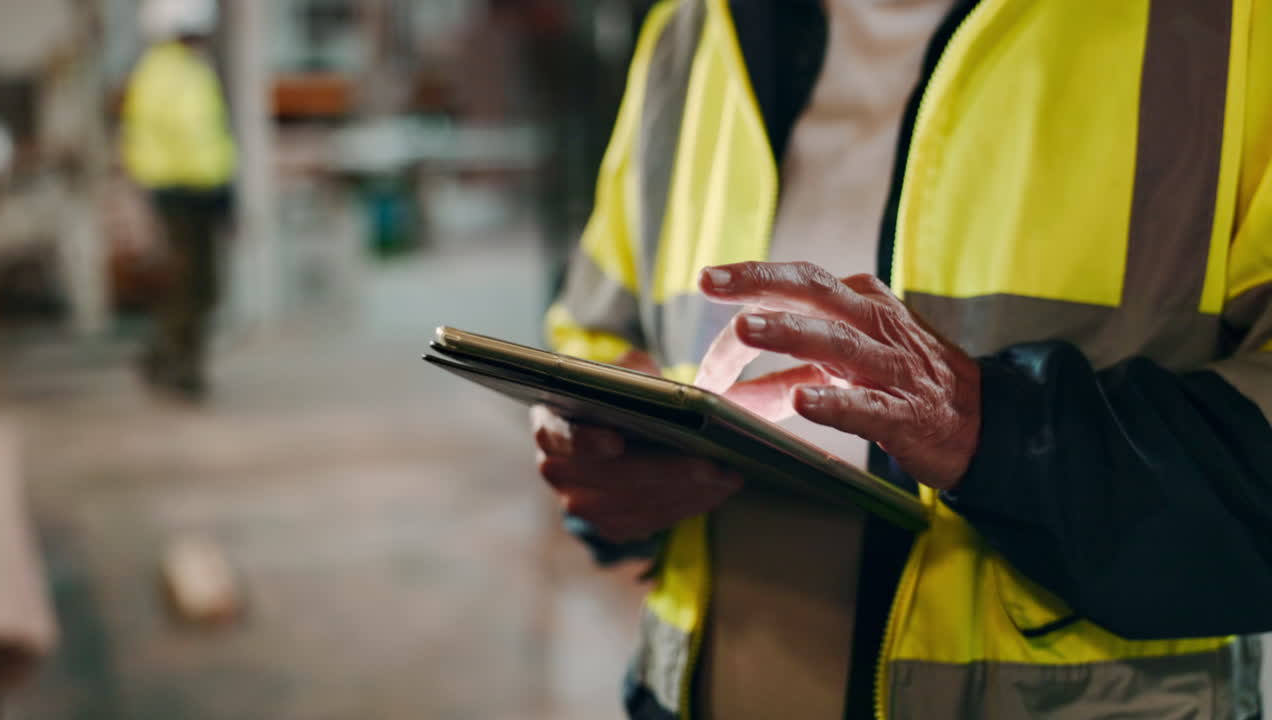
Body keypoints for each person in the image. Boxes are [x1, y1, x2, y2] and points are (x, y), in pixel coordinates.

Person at [534, 0, 1272, 718]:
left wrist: (996, 433)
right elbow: (599, 329)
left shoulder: (1236, 27)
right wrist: (600, 442)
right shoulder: (692, 27)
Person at [122, 0, 234, 401]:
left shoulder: (178, 70)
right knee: (190, 286)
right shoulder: (171, 72)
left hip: (194, 192)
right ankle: (179, 366)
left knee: (197, 286)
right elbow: (191, 138)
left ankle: (166, 357)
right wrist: (216, 188)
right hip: (182, 195)